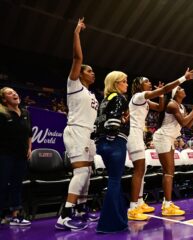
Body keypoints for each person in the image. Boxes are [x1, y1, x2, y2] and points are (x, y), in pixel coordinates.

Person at [127, 69, 193, 221]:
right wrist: (183, 78)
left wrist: (159, 96)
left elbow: (159, 108)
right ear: (139, 85)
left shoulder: (145, 101)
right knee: (160, 170)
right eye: (146, 81)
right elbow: (166, 90)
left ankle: (140, 202)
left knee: (145, 168)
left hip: (147, 135)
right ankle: (152, 206)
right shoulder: (139, 96)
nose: (150, 83)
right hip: (143, 134)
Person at [56, 18, 99, 231]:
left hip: (89, 135)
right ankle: (65, 215)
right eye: (88, 70)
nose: (92, 73)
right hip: (76, 132)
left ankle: (81, 210)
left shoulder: (92, 95)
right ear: (80, 73)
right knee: (80, 173)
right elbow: (77, 57)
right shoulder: (74, 85)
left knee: (88, 174)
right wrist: (77, 33)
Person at [153, 84, 193, 216]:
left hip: (169, 138)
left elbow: (188, 125)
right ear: (175, 93)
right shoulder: (172, 104)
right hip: (163, 137)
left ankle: (167, 203)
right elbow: (183, 123)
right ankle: (167, 205)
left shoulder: (181, 107)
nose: (183, 90)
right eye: (181, 89)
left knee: (169, 172)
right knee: (169, 172)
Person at [92, 71, 129, 233]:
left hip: (102, 143)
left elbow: (99, 122)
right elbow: (113, 121)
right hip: (115, 142)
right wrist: (114, 134)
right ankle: (108, 224)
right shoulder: (120, 98)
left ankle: (120, 219)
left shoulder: (105, 100)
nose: (126, 84)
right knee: (114, 180)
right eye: (124, 81)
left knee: (115, 180)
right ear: (116, 83)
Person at [0, 87, 32, 226]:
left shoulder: (25, 113)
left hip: (21, 156)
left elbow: (29, 134)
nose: (14, 93)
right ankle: (2, 215)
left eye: (14, 92)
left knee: (16, 185)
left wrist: (29, 148)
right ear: (3, 99)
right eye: (9, 93)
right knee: (2, 185)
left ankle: (15, 215)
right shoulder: (1, 114)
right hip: (5, 155)